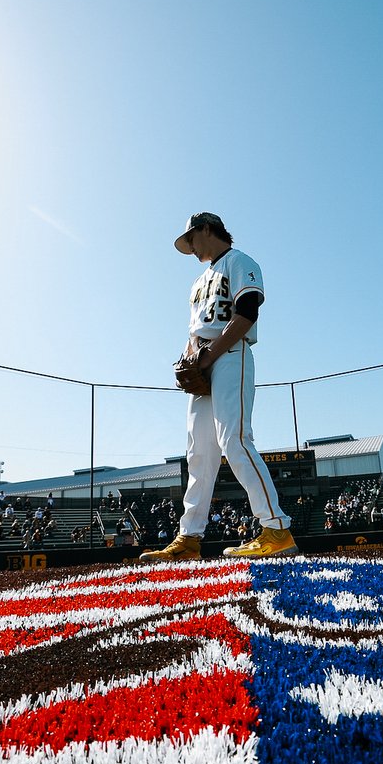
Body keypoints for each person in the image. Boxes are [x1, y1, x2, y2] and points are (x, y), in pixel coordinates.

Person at [140, 213, 297, 562]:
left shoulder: (240, 261)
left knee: (235, 440)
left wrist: (210, 356)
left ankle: (276, 530)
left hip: (229, 355)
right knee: (199, 454)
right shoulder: (198, 282)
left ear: (206, 230)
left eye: (191, 240)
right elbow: (196, 329)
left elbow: (247, 312)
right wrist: (190, 359)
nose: (190, 247)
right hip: (203, 359)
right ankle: (189, 539)